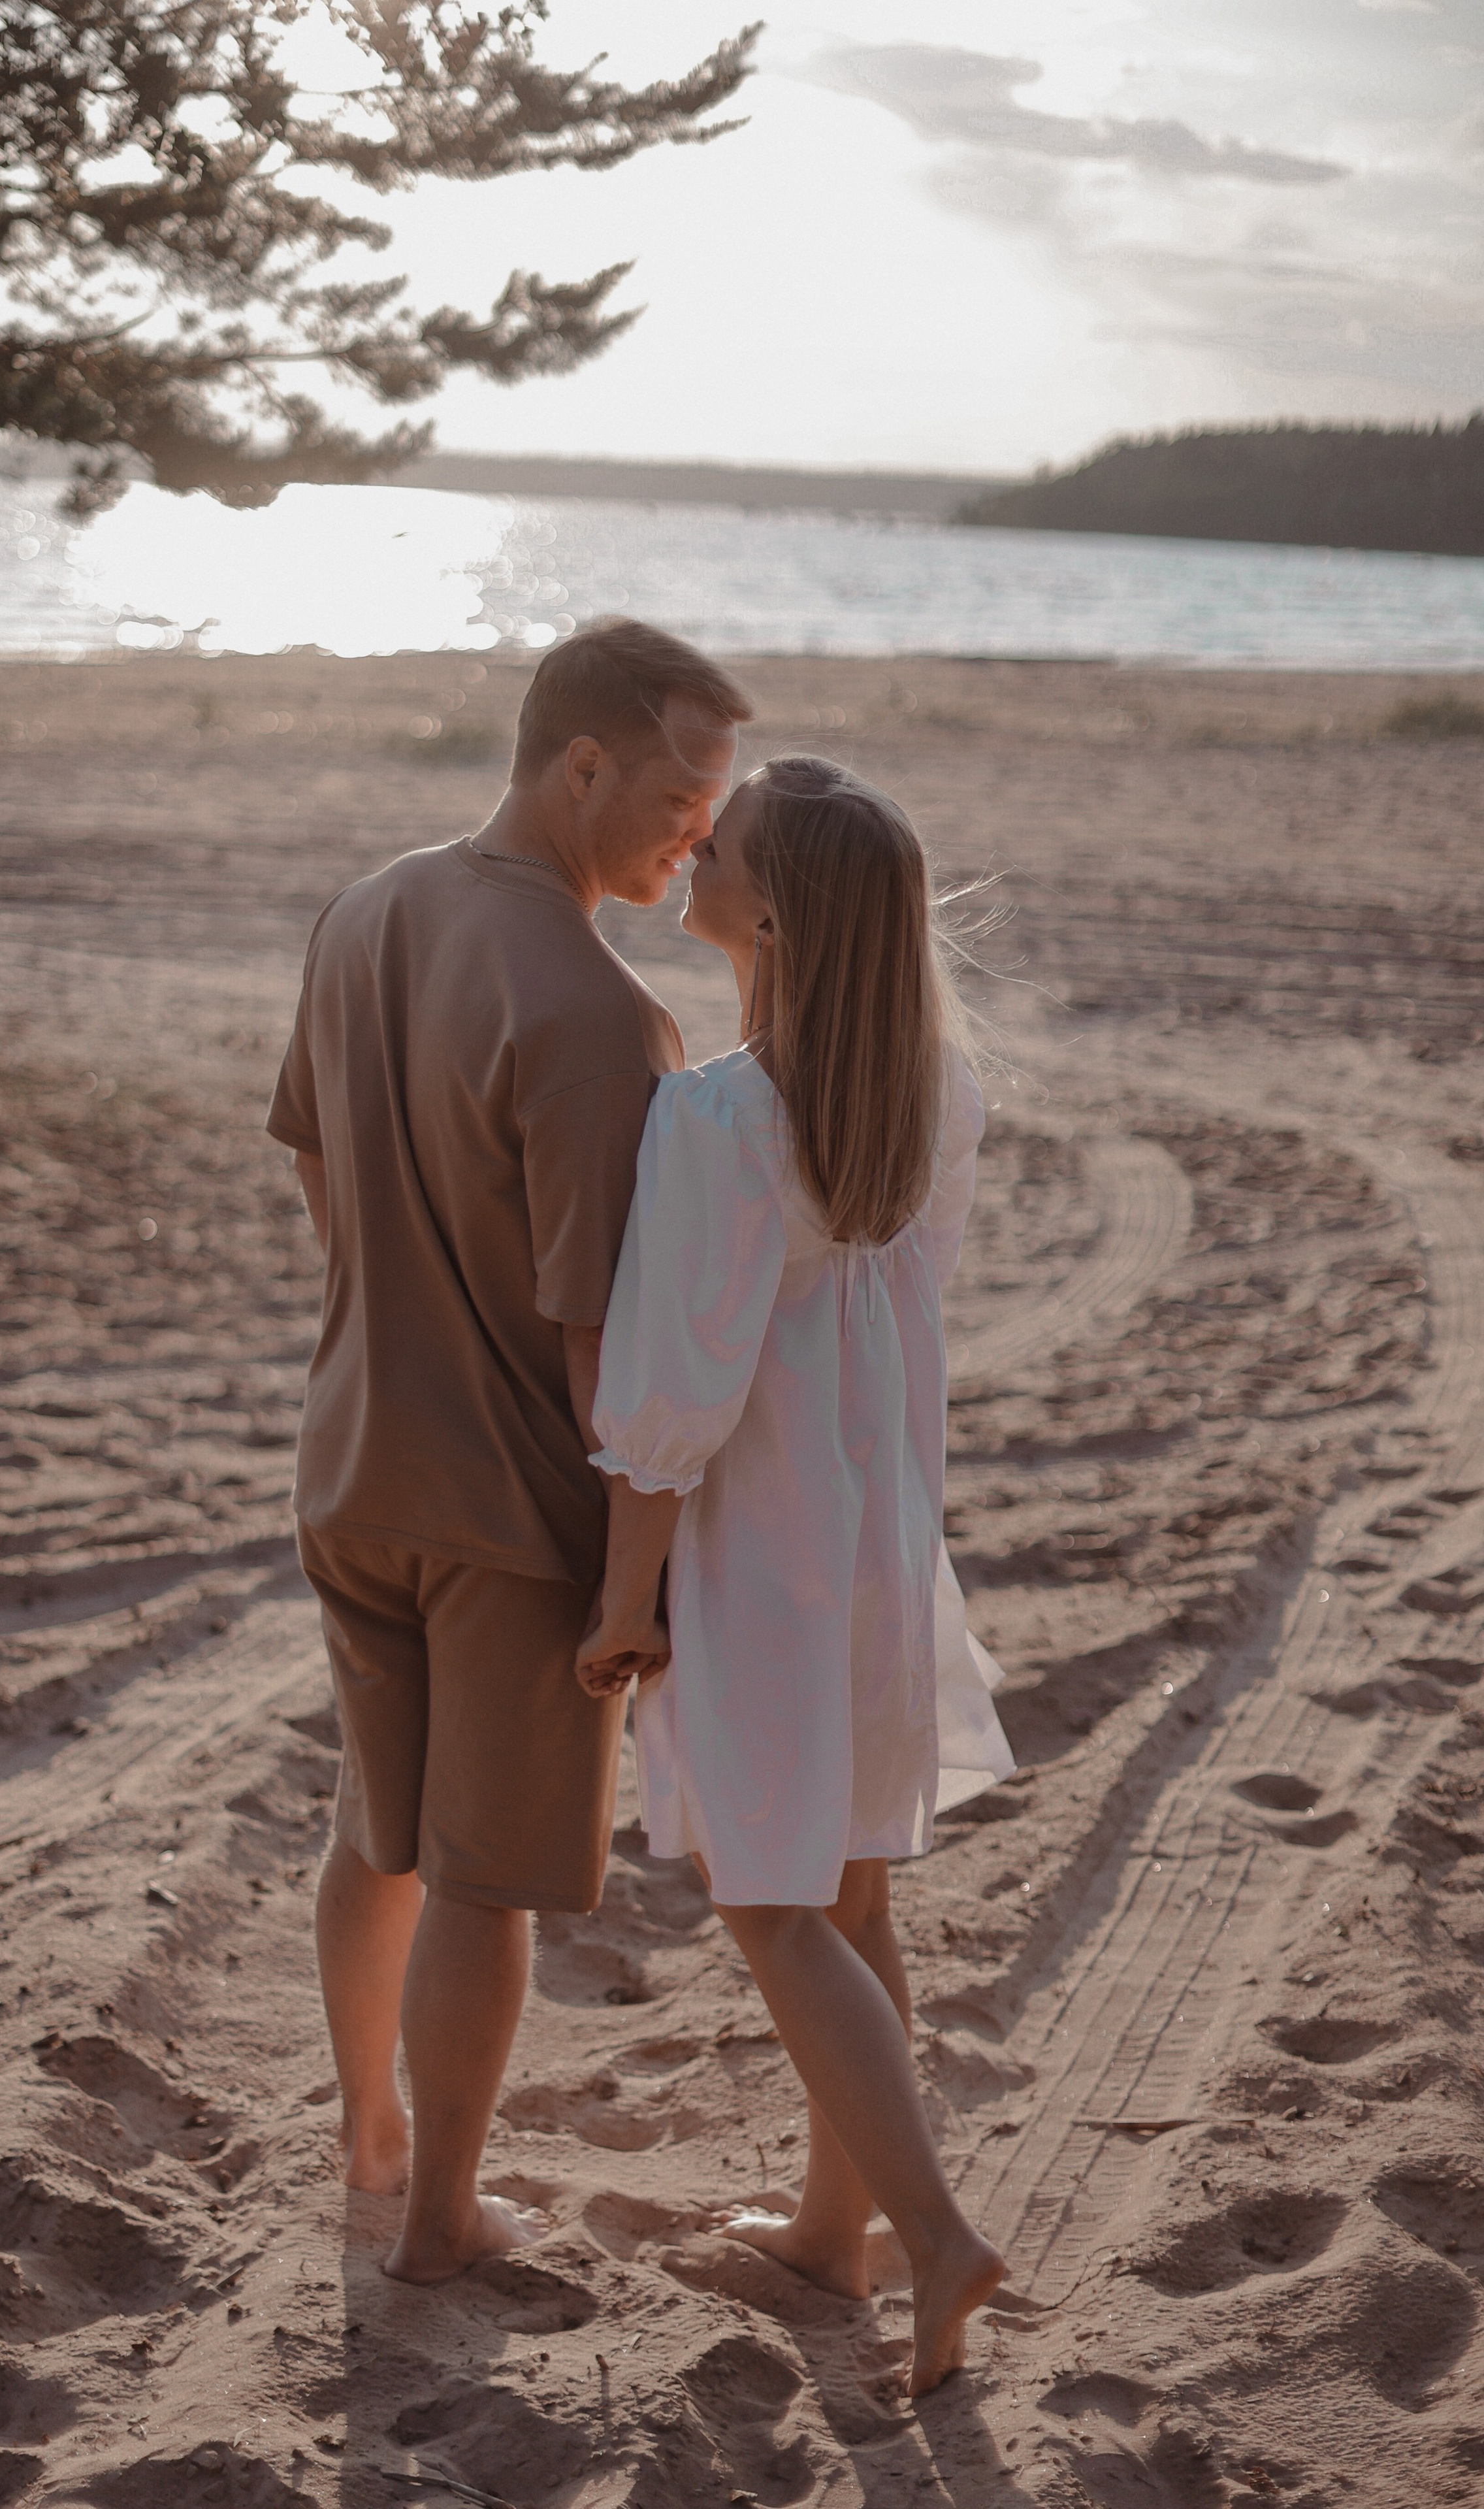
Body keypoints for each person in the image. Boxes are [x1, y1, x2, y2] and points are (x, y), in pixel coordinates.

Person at [266, 618, 753, 2282]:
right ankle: (440, 2222)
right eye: (684, 791)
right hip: (507, 1514)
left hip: (347, 1466)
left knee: (372, 1826)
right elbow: (602, 1344)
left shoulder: (362, 908)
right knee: (480, 1876)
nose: (698, 829)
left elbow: (318, 1170)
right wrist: (633, 1580)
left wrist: (390, 1317)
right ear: (581, 763)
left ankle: (368, 2137)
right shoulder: (604, 1020)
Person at [575, 755, 1013, 2392]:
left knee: (769, 1900)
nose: (693, 843)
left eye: (723, 837)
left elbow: (669, 1400)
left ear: (767, 909)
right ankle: (835, 2238)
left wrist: (627, 1597)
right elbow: (899, 1303)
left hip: (765, 1543)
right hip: (878, 1526)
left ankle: (933, 2230)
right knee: (845, 1885)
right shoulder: (924, 1092)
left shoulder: (718, 1116)